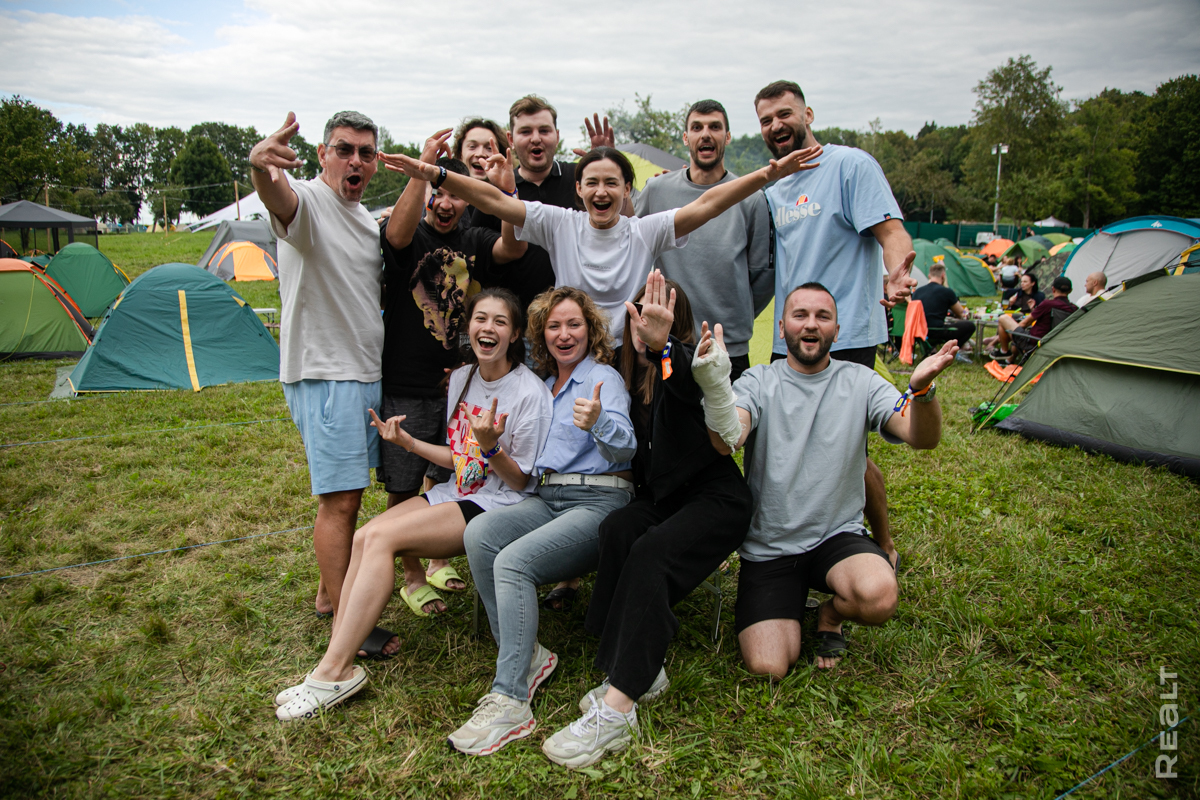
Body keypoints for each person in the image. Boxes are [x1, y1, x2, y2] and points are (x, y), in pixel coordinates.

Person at [272, 289, 553, 722]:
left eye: (500, 321)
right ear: (469, 327)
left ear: (515, 334)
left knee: (381, 539)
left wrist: (491, 448)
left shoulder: (530, 392)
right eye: (480, 318)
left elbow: (521, 481)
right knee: (365, 536)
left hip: (499, 504)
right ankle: (335, 658)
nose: (488, 328)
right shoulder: (462, 379)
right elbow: (460, 458)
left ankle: (334, 672)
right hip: (458, 491)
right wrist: (409, 442)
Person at [539, 271, 753, 768]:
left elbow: (693, 383)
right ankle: (639, 667)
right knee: (618, 529)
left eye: (657, 320)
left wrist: (665, 348)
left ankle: (619, 709)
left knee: (652, 552)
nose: (644, 327)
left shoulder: (687, 367)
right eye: (637, 318)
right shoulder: (625, 381)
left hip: (715, 499)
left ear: (674, 327)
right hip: (662, 498)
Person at [699, 282, 958, 677]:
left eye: (823, 317)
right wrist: (717, 387)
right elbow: (726, 441)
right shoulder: (758, 381)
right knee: (769, 667)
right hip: (770, 547)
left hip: (836, 537)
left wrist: (921, 391)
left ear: (837, 331)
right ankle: (786, 601)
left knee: (880, 597)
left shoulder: (861, 381)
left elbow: (922, 438)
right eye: (800, 315)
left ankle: (831, 614)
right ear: (782, 327)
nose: (811, 324)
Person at [379, 142, 821, 346]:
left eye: (612, 182)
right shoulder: (560, 224)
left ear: (628, 188)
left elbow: (707, 204)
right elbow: (495, 200)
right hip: (570, 350)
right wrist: (433, 173)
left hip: (631, 356)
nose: (601, 191)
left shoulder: (645, 230)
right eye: (591, 182)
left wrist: (766, 175)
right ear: (579, 190)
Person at [447, 286, 636, 756]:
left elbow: (626, 447)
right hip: (547, 496)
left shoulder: (602, 379)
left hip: (597, 500)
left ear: (591, 331)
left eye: (574, 324)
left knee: (513, 562)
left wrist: (599, 422)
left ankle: (510, 698)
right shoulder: (543, 383)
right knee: (479, 533)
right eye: (554, 326)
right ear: (540, 334)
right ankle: (528, 656)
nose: (564, 334)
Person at [753, 79, 916, 567]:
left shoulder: (850, 165)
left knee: (845, 451)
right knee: (786, 448)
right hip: (788, 339)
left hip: (843, 336)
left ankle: (882, 542)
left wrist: (896, 274)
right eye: (766, 120)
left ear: (808, 115)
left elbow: (892, 232)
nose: (776, 125)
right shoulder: (774, 188)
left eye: (785, 114)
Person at [377, 128, 527, 621]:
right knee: (404, 482)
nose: (445, 204)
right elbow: (395, 238)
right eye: (437, 193)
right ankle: (412, 577)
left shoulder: (474, 239)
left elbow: (512, 250)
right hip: (406, 380)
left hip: (456, 384)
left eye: (454, 195)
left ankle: (438, 560)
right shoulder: (411, 230)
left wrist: (507, 191)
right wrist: (422, 169)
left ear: (466, 200)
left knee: (451, 473)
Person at [249, 110, 385, 622]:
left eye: (365, 153)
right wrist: (260, 167)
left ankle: (329, 595)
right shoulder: (309, 202)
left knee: (350, 495)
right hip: (327, 376)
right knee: (340, 501)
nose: (355, 161)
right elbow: (278, 197)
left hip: (362, 373)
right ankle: (349, 621)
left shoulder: (363, 216)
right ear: (323, 154)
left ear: (375, 162)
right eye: (344, 149)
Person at [635, 99, 772, 382]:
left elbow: (762, 275)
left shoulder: (751, 197)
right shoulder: (657, 190)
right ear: (686, 138)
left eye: (715, 127)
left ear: (727, 136)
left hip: (728, 346)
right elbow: (628, 242)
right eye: (697, 127)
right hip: (670, 342)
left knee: (729, 413)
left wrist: (734, 312)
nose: (706, 134)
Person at [990, 276, 1077, 361]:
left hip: (1033, 343)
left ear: (1053, 289)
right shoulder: (1074, 309)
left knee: (1003, 318)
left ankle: (1004, 352)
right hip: (1056, 345)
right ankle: (1006, 356)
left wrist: (1009, 333)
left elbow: (1025, 323)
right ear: (1070, 291)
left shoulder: (1048, 304)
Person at [911, 263, 975, 354]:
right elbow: (960, 313)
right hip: (937, 331)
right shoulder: (946, 291)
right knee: (970, 326)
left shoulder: (918, 291)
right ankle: (956, 349)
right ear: (943, 276)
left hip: (918, 331)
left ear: (929, 276)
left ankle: (932, 347)